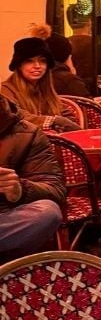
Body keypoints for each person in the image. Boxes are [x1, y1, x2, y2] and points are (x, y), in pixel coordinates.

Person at [0, 94, 64, 256]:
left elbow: (55, 188)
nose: (37, 66)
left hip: (4, 216)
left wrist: (19, 190)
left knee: (47, 212)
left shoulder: (26, 133)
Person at [2, 38, 79, 132]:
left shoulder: (45, 90)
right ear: (19, 65)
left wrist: (67, 121)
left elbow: (65, 115)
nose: (37, 66)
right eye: (29, 61)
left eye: (42, 61)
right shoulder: (5, 90)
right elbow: (18, 117)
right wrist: (53, 121)